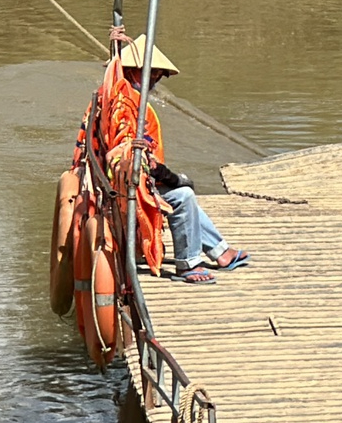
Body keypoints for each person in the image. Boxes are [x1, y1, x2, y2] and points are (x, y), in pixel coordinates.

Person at [100, 32, 250, 285]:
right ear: (137, 72)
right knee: (183, 196)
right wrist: (174, 179)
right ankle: (188, 264)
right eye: (155, 73)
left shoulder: (111, 97)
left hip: (131, 179)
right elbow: (138, 159)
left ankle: (221, 251)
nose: (157, 79)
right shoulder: (129, 107)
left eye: (159, 74)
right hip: (127, 187)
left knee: (181, 191)